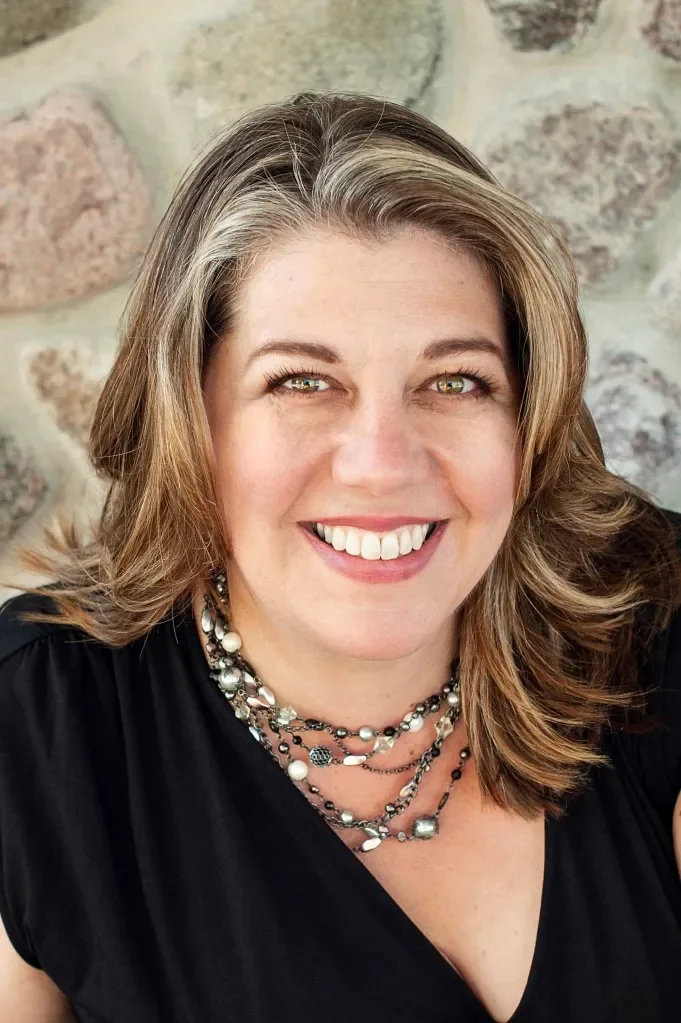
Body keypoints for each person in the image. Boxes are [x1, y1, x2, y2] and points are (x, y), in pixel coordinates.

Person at [0, 90, 679, 1023]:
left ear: (526, 417)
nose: (381, 464)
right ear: (191, 419)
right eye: (303, 381)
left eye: (455, 380)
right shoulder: (41, 728)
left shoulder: (654, 622)